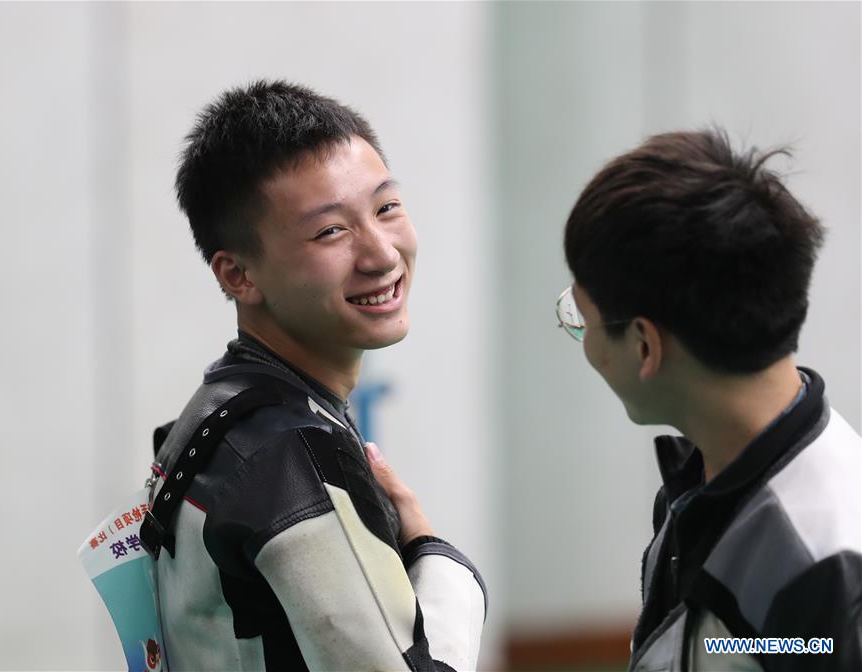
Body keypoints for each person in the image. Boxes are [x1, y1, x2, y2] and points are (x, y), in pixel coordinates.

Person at [143, 79, 486, 671]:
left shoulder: (215, 409)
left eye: (386, 208)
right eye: (331, 231)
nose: (382, 254)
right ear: (238, 275)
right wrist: (433, 553)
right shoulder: (292, 456)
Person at [558, 129, 861, 671]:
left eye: (581, 317)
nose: (582, 340)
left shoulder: (827, 572)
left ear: (645, 346)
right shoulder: (707, 478)